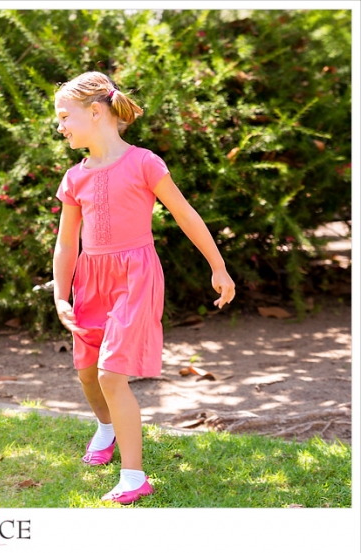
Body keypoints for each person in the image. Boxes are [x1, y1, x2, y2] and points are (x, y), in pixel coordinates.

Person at [52, 72, 235, 504]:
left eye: (65, 116)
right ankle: (106, 428)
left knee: (111, 374)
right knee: (87, 372)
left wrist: (218, 267)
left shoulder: (144, 163)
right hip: (90, 280)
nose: (60, 125)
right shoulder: (74, 178)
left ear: (95, 112)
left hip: (135, 277)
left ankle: (134, 477)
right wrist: (61, 294)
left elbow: (186, 214)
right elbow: (66, 242)